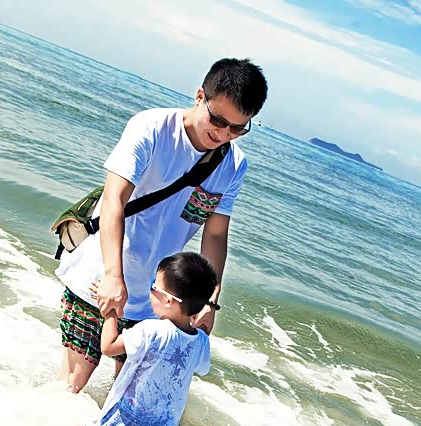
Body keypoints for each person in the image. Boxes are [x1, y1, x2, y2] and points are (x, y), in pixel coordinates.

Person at [57, 58, 268, 393]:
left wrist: (210, 300)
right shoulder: (152, 128)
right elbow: (114, 201)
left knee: (129, 397)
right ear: (200, 96)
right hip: (99, 278)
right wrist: (113, 275)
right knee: (72, 385)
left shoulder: (233, 164)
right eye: (217, 120)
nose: (223, 134)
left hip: (158, 299)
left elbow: (215, 234)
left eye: (237, 129)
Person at [80, 252, 217, 426]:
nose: (150, 290)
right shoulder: (201, 342)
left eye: (154, 286)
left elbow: (108, 347)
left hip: (118, 423)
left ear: (169, 300)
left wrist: (109, 311)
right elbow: (202, 368)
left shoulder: (151, 330)